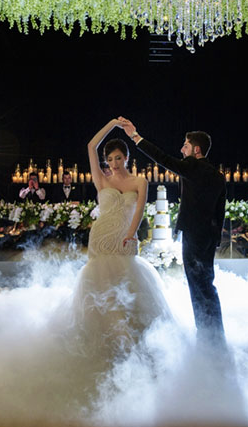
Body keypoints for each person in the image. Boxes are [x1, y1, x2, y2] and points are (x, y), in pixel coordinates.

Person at [57, 119, 170, 356]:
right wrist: (113, 124)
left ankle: (133, 342)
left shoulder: (139, 182)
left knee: (127, 286)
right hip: (101, 238)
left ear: (126, 158)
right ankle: (102, 339)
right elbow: (91, 146)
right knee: (100, 285)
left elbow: (139, 211)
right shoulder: (102, 180)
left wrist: (131, 233)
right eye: (109, 159)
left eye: (118, 158)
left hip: (125, 239)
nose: (114, 163)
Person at [121, 117, 227, 345]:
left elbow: (162, 158)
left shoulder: (192, 167)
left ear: (196, 150)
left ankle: (206, 336)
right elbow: (220, 211)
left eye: (185, 146)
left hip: (194, 236)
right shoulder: (218, 176)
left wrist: (135, 137)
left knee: (197, 286)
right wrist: (215, 239)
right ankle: (216, 334)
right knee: (207, 284)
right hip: (209, 238)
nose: (181, 150)